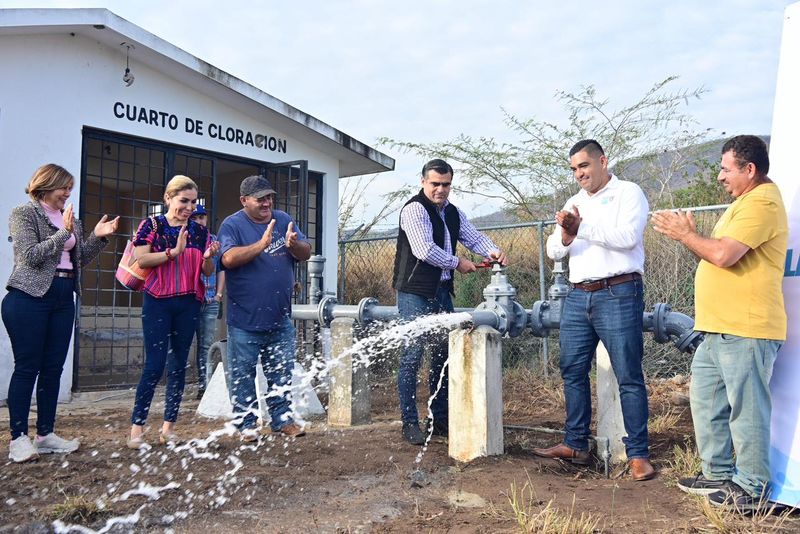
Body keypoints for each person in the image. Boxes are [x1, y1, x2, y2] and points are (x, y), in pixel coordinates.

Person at [652, 135, 787, 511]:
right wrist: (692, 237)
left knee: (747, 408)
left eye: (726, 169)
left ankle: (752, 487)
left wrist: (686, 235)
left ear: (749, 169)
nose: (719, 177)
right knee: (707, 400)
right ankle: (719, 474)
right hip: (717, 327)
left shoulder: (762, 203)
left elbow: (725, 255)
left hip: (746, 327)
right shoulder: (743, 202)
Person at [536, 140, 655, 481]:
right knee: (572, 371)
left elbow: (628, 237)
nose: (579, 174)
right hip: (577, 294)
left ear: (602, 161)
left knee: (628, 374)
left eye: (584, 166)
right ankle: (576, 445)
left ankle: (638, 454)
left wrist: (580, 228)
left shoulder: (628, 193)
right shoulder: (573, 202)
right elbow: (554, 252)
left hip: (618, 291)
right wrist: (567, 237)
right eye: (574, 169)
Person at [3, 163, 119, 463]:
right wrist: (64, 231)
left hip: (63, 297)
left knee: (53, 368)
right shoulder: (24, 213)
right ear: (45, 185)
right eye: (63, 187)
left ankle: (45, 435)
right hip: (29, 297)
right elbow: (30, 256)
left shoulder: (72, 220)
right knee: (28, 367)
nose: (68, 193)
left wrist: (97, 236)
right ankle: (18, 438)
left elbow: (78, 259)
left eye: (70, 188)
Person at [392, 158, 507, 446]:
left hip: (442, 291)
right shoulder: (414, 210)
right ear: (423, 182)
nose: (440, 189)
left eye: (446, 184)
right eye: (435, 184)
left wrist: (493, 252)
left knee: (444, 356)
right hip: (414, 293)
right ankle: (409, 422)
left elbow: (473, 237)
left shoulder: (453, 213)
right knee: (412, 356)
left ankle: (439, 419)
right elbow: (423, 250)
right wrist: (458, 262)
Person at [127, 175, 220, 449]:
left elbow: (207, 272)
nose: (190, 207)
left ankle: (168, 428)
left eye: (194, 202)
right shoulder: (152, 225)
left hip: (189, 303)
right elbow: (140, 258)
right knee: (155, 366)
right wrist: (173, 252)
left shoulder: (200, 231)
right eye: (184, 201)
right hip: (158, 301)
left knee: (179, 365)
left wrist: (207, 259)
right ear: (168, 198)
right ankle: (136, 430)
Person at [218, 175, 311, 441]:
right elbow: (227, 258)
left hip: (280, 317)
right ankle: (246, 424)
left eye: (269, 197)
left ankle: (282, 420)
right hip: (245, 319)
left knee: (281, 372)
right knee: (243, 375)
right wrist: (261, 244)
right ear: (244, 201)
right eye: (260, 199)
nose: (267, 202)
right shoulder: (232, 224)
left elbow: (305, 252)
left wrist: (295, 245)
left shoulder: (283, 219)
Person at [190, 204, 225, 399]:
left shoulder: (214, 242)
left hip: (210, 299)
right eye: (194, 218)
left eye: (202, 217)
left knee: (206, 346)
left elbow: (221, 270)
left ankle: (205, 387)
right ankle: (176, 387)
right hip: (190, 299)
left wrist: (219, 295)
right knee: (183, 343)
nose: (199, 221)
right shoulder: (184, 240)